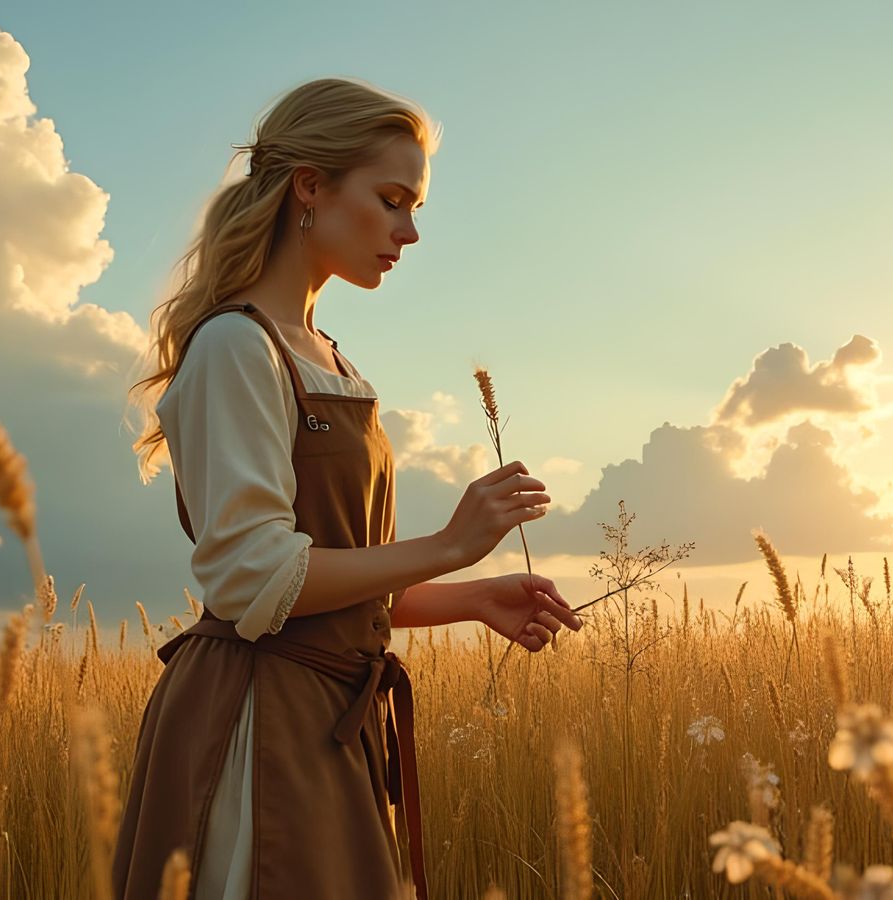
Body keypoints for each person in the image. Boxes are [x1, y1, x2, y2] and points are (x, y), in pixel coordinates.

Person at [116, 76, 582, 900]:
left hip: (333, 722)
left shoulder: (330, 358)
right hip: (259, 724)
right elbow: (255, 578)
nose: (409, 230)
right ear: (310, 186)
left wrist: (471, 596)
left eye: (415, 206)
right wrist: (447, 544)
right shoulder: (237, 347)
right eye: (392, 198)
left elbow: (332, 585)